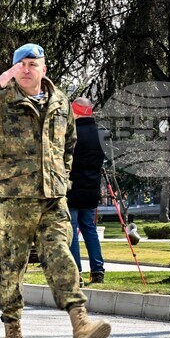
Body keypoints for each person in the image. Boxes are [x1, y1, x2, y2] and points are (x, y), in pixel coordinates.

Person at [0, 43, 111, 338]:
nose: (26, 68)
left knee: (62, 258)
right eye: (20, 64)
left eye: (32, 63)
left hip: (53, 200)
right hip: (13, 201)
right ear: (13, 69)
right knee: (11, 270)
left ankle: (80, 325)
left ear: (43, 68)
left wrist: (61, 180)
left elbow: (69, 145)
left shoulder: (61, 102)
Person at [67, 97, 106, 285]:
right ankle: (98, 270)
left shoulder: (72, 133)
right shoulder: (101, 133)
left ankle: (77, 273)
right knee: (89, 228)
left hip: (73, 188)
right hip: (92, 188)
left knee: (72, 230)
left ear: (76, 111)